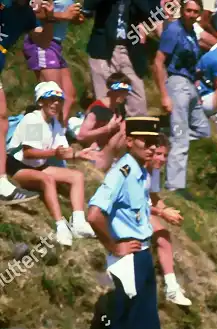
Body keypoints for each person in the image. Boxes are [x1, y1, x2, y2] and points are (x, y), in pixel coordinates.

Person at [87, 116, 179, 329]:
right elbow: (94, 213)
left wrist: (160, 211)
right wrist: (114, 246)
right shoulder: (122, 172)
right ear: (129, 142)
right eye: (144, 141)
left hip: (142, 253)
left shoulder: (140, 173)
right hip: (128, 258)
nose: (151, 146)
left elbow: (136, 208)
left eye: (154, 141)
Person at [7, 82, 97, 246]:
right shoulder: (33, 119)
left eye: (59, 100)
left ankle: (78, 222)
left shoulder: (54, 123)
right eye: (52, 99)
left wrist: (78, 154)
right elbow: (28, 152)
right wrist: (53, 154)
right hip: (18, 166)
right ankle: (60, 225)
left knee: (76, 176)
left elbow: (62, 150)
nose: (56, 103)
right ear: (41, 101)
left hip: (38, 165)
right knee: (46, 180)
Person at [0, 0, 55, 205]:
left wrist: (49, 18)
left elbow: (43, 41)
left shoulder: (27, 14)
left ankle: (2, 182)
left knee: (2, 120)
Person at [154, 0, 211, 191]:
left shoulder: (192, 33)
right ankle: (175, 186)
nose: (191, 14)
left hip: (190, 85)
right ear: (182, 10)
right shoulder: (174, 30)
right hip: (176, 82)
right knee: (181, 139)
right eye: (188, 10)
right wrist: (164, 95)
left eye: (196, 12)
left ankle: (169, 133)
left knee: (203, 131)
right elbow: (159, 61)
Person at [84, 0, 155, 117]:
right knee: (104, 93)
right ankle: (105, 127)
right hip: (102, 47)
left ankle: (137, 129)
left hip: (128, 47)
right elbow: (88, 7)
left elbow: (150, 13)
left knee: (136, 92)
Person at [23, 0, 85, 127]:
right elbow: (33, 12)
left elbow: (65, 13)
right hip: (41, 41)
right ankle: (46, 138)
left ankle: (59, 132)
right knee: (52, 96)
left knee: (68, 96)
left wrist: (74, 17)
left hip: (56, 44)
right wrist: (64, 15)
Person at [147, 134, 192, 306]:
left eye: (165, 155)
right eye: (158, 154)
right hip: (129, 212)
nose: (162, 159)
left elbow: (151, 196)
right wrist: (161, 213)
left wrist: (165, 209)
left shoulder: (155, 170)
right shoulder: (138, 170)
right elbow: (133, 203)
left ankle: (171, 287)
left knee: (164, 236)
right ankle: (171, 288)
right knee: (163, 237)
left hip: (141, 210)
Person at [77, 72, 130, 171]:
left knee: (126, 128)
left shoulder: (120, 109)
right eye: (120, 90)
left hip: (109, 149)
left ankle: (117, 162)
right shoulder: (98, 108)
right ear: (111, 90)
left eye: (126, 91)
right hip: (95, 150)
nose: (123, 94)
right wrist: (107, 128)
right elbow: (81, 136)